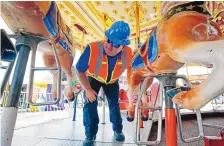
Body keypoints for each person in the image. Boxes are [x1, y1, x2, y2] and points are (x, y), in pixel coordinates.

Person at [75, 21, 133, 146]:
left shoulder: (128, 53)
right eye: (109, 40)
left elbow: (133, 70)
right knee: (89, 103)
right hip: (93, 79)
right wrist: (88, 90)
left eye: (116, 44)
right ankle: (90, 134)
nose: (109, 46)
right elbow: (79, 71)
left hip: (112, 81)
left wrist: (131, 88)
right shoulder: (92, 48)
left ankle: (118, 130)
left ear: (123, 46)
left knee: (114, 104)